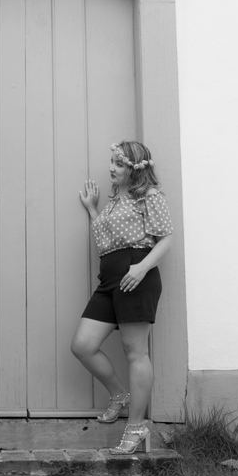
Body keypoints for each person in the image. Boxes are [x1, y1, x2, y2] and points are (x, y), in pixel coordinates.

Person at [72, 141, 174, 454]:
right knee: (83, 345)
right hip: (109, 280)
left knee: (135, 352)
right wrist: (93, 210)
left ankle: (137, 427)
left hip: (136, 276)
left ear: (134, 168)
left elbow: (166, 238)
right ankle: (120, 394)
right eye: (112, 162)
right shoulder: (116, 202)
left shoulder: (150, 196)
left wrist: (142, 268)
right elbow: (105, 240)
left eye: (118, 164)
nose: (111, 168)